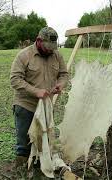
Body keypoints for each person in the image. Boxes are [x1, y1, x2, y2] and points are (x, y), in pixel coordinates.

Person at [10, 27, 68, 178]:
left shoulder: (56, 55)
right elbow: (15, 80)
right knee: (24, 144)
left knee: (43, 142)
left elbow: (63, 74)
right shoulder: (24, 55)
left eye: (53, 47)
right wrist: (36, 91)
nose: (50, 51)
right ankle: (21, 173)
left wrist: (60, 84)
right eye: (48, 47)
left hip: (45, 106)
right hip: (25, 105)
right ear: (39, 41)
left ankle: (39, 172)